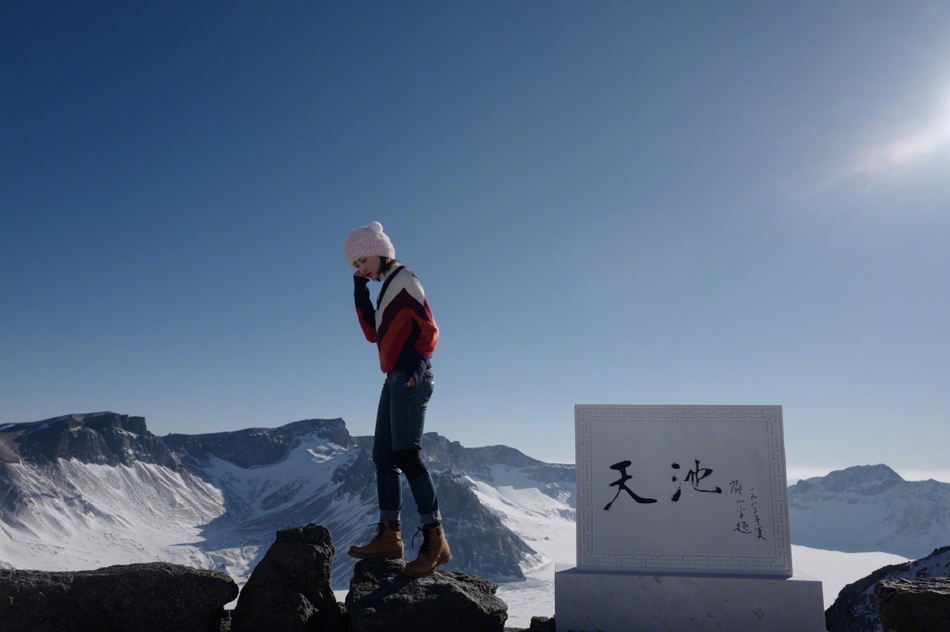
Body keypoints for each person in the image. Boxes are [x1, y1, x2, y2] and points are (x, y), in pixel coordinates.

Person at [344, 221, 451, 578]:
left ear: (380, 250)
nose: (361, 269)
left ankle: (435, 540)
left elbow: (429, 327)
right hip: (394, 379)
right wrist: (360, 292)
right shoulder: (387, 287)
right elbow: (374, 334)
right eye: (356, 266)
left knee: (407, 454)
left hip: (409, 377)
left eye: (362, 261)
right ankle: (390, 536)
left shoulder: (405, 280)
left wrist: (418, 365)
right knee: (383, 456)